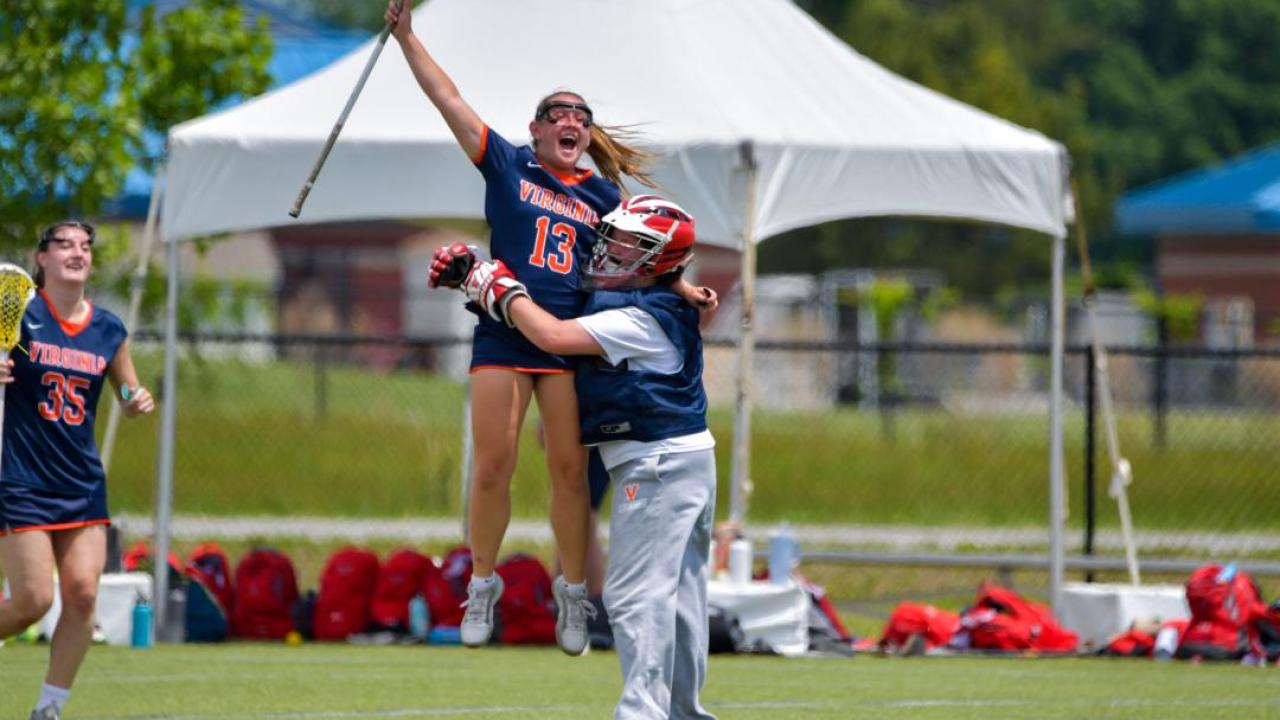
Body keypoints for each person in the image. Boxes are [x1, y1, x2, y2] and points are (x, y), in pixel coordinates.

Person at [386, 1, 714, 655]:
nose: (571, 121)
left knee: (568, 472)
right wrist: (405, 37)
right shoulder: (510, 165)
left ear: (588, 136)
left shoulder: (604, 197)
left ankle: (571, 593)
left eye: (581, 117)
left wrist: (685, 289)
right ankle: (482, 583)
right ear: (535, 130)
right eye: (557, 114)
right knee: (492, 466)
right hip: (505, 329)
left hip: (567, 336)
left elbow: (647, 252)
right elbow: (447, 97)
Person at [450, 195, 717, 719]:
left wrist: (492, 285)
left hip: (657, 464)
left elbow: (551, 335)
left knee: (634, 594)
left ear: (656, 259)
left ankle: (642, 713)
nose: (611, 247)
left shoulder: (642, 317)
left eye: (630, 243)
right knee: (679, 601)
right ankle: (683, 712)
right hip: (682, 461)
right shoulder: (656, 298)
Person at [0, 220, 156, 720]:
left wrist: (136, 401)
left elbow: (128, 391)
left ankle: (48, 709)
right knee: (32, 601)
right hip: (22, 478)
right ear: (40, 258)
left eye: (85, 246)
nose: (77, 252)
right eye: (64, 244)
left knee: (84, 594)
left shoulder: (108, 329)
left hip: (81, 483)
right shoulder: (18, 313)